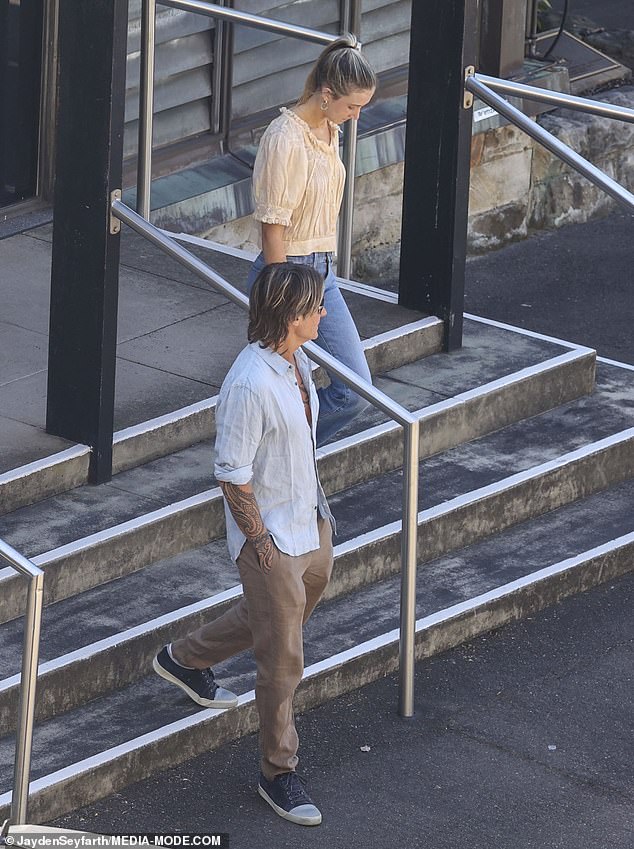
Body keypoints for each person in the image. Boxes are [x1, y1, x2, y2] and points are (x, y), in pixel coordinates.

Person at [154, 263, 335, 827]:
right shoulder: (249, 383)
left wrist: (320, 517)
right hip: (274, 538)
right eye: (315, 306)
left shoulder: (296, 361)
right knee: (283, 659)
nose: (323, 313)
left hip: (311, 522)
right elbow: (231, 473)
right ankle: (278, 773)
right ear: (289, 315)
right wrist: (261, 544)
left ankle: (185, 657)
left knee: (276, 623)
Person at [247, 35, 377, 446]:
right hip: (288, 274)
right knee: (279, 387)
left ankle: (287, 450)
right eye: (352, 106)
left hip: (323, 273)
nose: (356, 116)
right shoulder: (286, 138)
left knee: (355, 388)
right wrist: (282, 298)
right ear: (326, 95)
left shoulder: (328, 129)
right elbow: (273, 227)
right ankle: (273, 454)